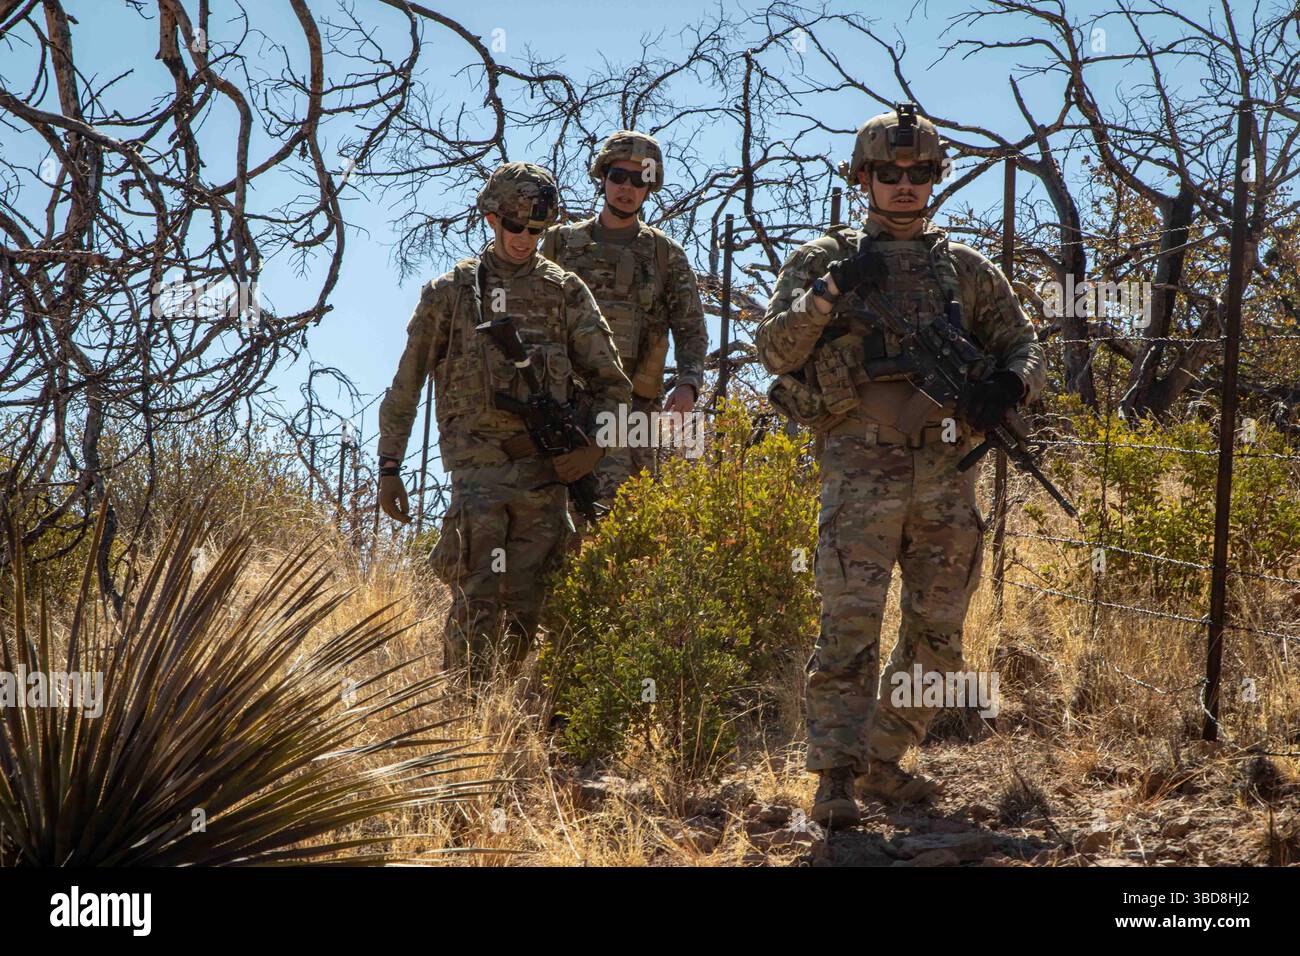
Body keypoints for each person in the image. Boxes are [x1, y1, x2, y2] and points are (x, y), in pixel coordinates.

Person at [755, 103, 1045, 827]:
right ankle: (833, 779)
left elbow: (1025, 345)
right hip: (860, 473)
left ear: (937, 178)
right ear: (863, 178)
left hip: (947, 478)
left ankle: (884, 761)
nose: (904, 184)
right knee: (847, 628)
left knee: (939, 636)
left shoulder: (967, 271)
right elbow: (775, 352)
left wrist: (1011, 384)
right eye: (889, 172)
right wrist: (828, 295)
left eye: (919, 173)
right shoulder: (823, 260)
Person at [377, 162, 631, 684]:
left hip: (543, 477)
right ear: (492, 219)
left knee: (527, 601)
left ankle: (505, 716)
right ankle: (463, 717)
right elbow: (407, 382)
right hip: (478, 475)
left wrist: (594, 450)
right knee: (477, 594)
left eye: (537, 231)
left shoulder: (564, 292)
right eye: (516, 228)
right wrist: (389, 464)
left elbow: (613, 385)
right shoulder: (450, 293)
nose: (525, 240)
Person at [540, 130, 707, 507]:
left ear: (651, 187)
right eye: (618, 176)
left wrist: (688, 383)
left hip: (632, 413)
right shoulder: (559, 244)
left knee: (620, 519)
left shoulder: (666, 255)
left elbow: (691, 328)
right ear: (603, 177)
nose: (626, 188)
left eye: (639, 179)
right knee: (550, 517)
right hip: (564, 404)